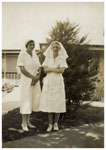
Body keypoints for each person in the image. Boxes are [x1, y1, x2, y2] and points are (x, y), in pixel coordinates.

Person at [39, 41, 68, 132]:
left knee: (58, 102)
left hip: (58, 82)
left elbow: (61, 71)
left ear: (59, 49)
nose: (55, 49)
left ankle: (56, 123)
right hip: (49, 81)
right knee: (49, 103)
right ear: (51, 48)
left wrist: (50, 69)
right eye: (54, 47)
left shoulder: (62, 58)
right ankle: (50, 124)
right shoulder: (48, 58)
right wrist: (55, 68)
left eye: (57, 47)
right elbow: (45, 71)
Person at [17, 40, 41, 131]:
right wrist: (32, 78)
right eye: (30, 44)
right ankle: (23, 123)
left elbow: (39, 67)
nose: (32, 46)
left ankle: (28, 122)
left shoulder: (35, 56)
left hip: (34, 81)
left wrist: (37, 77)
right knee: (25, 101)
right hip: (26, 81)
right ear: (26, 46)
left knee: (31, 100)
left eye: (33, 44)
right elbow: (22, 70)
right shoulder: (22, 55)